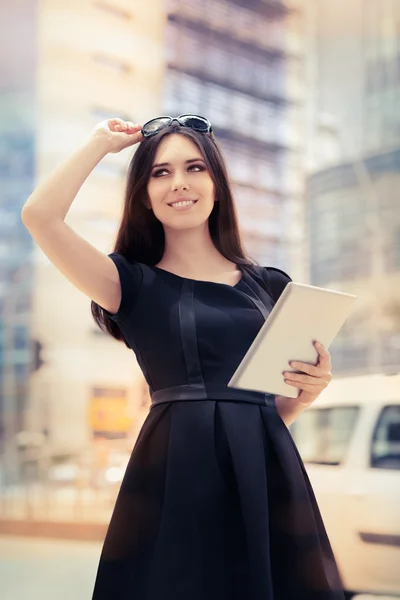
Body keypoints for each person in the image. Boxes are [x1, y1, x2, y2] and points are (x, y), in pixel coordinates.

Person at [21, 115, 344, 599]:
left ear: (217, 184)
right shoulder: (128, 282)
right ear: (144, 194)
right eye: (160, 172)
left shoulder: (270, 285)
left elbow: (266, 408)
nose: (179, 183)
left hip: (267, 473)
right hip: (177, 474)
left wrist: (304, 395)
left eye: (194, 168)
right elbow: (40, 215)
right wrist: (100, 143)